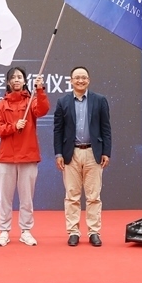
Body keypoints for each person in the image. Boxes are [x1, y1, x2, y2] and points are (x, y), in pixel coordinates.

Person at [0, 67, 50, 246]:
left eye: (20, 77)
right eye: (13, 77)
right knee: (5, 198)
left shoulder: (31, 101)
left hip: (28, 156)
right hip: (6, 158)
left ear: (24, 81)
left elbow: (43, 110)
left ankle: (26, 230)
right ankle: (4, 231)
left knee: (27, 198)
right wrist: (14, 126)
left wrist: (40, 90)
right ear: (8, 82)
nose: (16, 80)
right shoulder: (0, 105)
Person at [53, 66, 112, 247]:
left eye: (84, 77)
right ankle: (73, 232)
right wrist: (58, 153)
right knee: (72, 196)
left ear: (89, 80)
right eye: (77, 77)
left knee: (94, 196)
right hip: (71, 154)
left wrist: (106, 152)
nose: (80, 80)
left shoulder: (99, 100)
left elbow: (106, 128)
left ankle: (94, 232)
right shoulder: (63, 102)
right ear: (71, 80)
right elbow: (58, 130)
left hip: (93, 153)